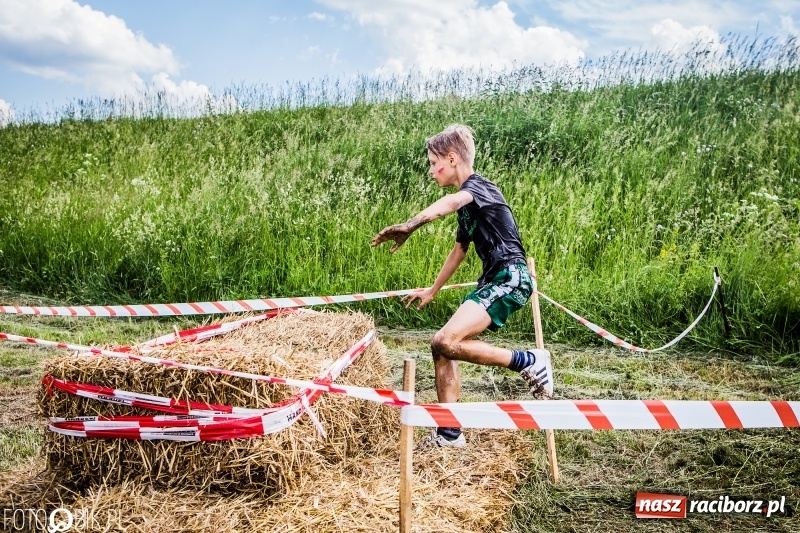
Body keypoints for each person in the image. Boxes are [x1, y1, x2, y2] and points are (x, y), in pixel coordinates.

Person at [371, 124, 553, 449]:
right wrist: (432, 290)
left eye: (433, 162)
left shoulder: (478, 188)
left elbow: (451, 202)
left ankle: (528, 361)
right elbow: (460, 250)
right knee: (441, 347)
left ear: (452, 158)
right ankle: (449, 434)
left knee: (444, 340)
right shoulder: (469, 207)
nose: (430, 170)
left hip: (510, 277)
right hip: (494, 279)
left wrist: (410, 225)